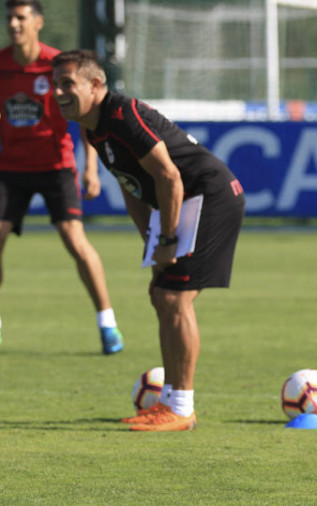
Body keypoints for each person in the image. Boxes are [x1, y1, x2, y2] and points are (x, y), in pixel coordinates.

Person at [51, 49, 246, 432]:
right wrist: (150, 241)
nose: (58, 92)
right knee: (162, 294)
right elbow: (132, 187)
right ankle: (170, 403)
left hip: (208, 197)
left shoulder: (122, 117)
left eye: (67, 84)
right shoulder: (92, 128)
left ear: (95, 84)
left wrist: (169, 238)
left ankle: (181, 408)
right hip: (183, 204)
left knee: (174, 298)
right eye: (55, 84)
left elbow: (170, 177)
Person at [0, 0, 123, 354]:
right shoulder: (2, 65)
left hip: (55, 167)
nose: (14, 23)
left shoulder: (57, 66)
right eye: (9, 17)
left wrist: (89, 168)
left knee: (75, 241)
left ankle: (107, 323)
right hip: (9, 169)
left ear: (38, 22)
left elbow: (85, 114)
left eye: (21, 17)